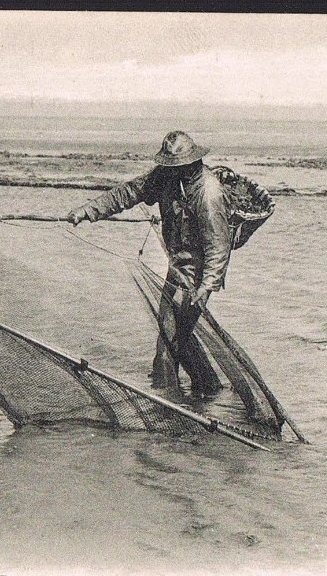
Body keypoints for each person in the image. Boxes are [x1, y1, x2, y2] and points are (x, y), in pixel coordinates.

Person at [68, 131, 232, 396]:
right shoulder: (166, 178)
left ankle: (174, 400)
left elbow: (218, 246)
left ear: (191, 163)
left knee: (170, 340)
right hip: (176, 266)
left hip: (198, 273)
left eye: (176, 166)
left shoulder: (208, 192)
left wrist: (206, 287)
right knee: (172, 335)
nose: (170, 170)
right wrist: (86, 211)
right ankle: (198, 395)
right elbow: (127, 193)